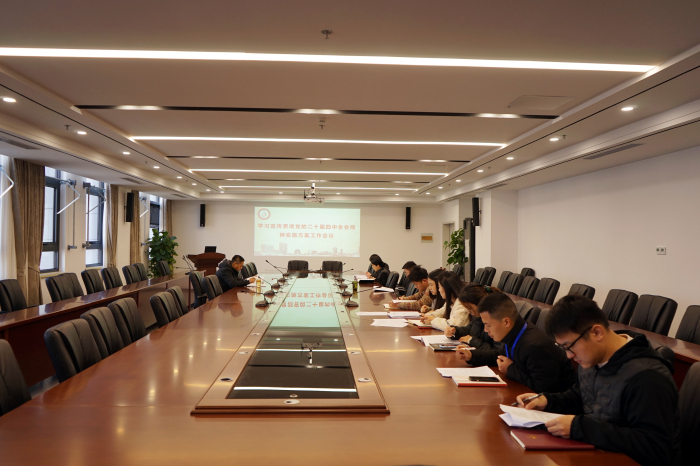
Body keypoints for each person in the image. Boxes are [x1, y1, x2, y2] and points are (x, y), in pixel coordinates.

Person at [514, 295, 680, 466]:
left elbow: (655, 447)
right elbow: (582, 396)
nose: (569, 355)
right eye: (563, 348)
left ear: (597, 333)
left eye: (569, 346)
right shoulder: (593, 358)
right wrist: (547, 400)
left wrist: (580, 428)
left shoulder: (647, 377)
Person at [456, 292, 575, 393]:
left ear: (506, 322)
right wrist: (472, 356)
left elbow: (543, 390)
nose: (486, 330)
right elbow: (499, 355)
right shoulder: (516, 332)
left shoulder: (534, 346)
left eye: (488, 325)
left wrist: (511, 369)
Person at [445, 284, 498, 351]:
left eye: (470, 308)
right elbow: (469, 330)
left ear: (480, 304)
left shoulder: (495, 321)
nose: (469, 312)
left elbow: (496, 351)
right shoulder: (477, 317)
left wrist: (472, 340)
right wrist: (454, 331)